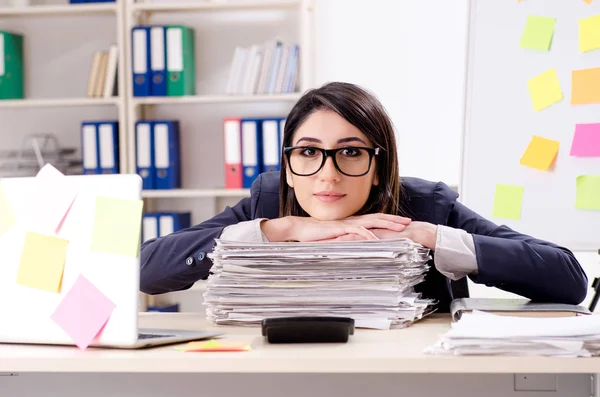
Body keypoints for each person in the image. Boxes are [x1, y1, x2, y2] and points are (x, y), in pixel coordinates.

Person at [140, 82, 588, 312]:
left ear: (379, 167)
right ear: (289, 166)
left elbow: (568, 278)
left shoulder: (425, 203)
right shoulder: (269, 203)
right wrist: (284, 228)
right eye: (309, 152)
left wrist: (428, 235)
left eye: (351, 153)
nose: (328, 175)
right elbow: (144, 269)